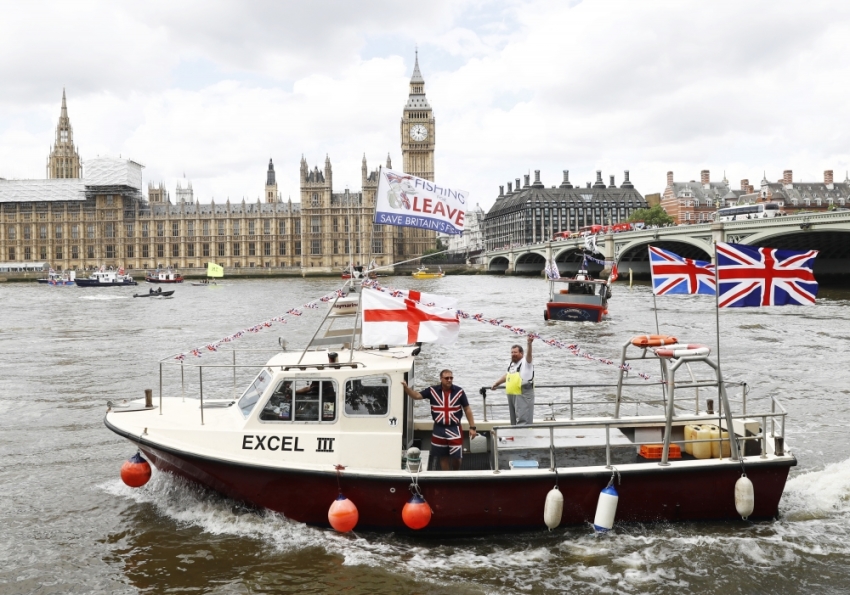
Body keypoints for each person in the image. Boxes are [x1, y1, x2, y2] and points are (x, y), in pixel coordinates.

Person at [402, 370, 477, 471]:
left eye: (451, 378)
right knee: (443, 456)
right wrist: (406, 388)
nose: (449, 380)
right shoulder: (432, 391)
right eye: (446, 378)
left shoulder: (459, 392)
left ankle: (455, 474)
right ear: (441, 379)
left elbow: (467, 409)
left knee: (457, 457)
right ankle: (447, 478)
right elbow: (416, 396)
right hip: (439, 429)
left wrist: (472, 427)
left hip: (454, 428)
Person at [491, 337, 535, 425]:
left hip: (523, 395)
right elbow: (507, 375)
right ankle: (516, 436)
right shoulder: (511, 364)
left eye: (515, 352)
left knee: (523, 420)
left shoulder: (526, 363)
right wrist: (497, 383)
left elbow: (529, 356)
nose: (513, 354)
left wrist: (529, 344)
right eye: (511, 352)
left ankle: (524, 437)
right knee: (513, 421)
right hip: (512, 395)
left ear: (521, 353)